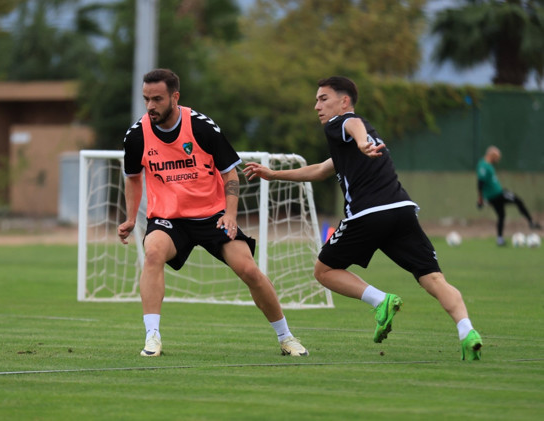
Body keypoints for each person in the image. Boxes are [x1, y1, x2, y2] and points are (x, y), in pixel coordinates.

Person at [243, 76, 483, 360]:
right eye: (316, 100)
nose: (316, 106)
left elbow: (351, 124)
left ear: (344, 102)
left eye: (323, 99)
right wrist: (273, 174)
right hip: (402, 211)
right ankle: (467, 331)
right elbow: (321, 170)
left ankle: (381, 300)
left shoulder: (342, 124)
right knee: (432, 278)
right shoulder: (360, 140)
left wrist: (360, 141)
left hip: (368, 213)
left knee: (324, 271)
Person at [117, 69, 308, 357]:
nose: (150, 106)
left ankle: (286, 337)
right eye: (146, 99)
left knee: (249, 270)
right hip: (169, 220)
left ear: (175, 97)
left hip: (213, 216)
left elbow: (231, 175)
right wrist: (132, 218)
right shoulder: (136, 136)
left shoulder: (201, 127)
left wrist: (230, 215)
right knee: (153, 253)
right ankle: (152, 337)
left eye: (157, 99)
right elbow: (132, 177)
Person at [477, 146, 540, 246]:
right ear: (491, 155)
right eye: (497, 157)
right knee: (518, 200)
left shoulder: (487, 165)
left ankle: (500, 239)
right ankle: (531, 222)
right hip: (497, 194)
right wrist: (480, 199)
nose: (497, 160)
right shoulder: (484, 166)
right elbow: (480, 183)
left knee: (501, 216)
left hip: (495, 195)